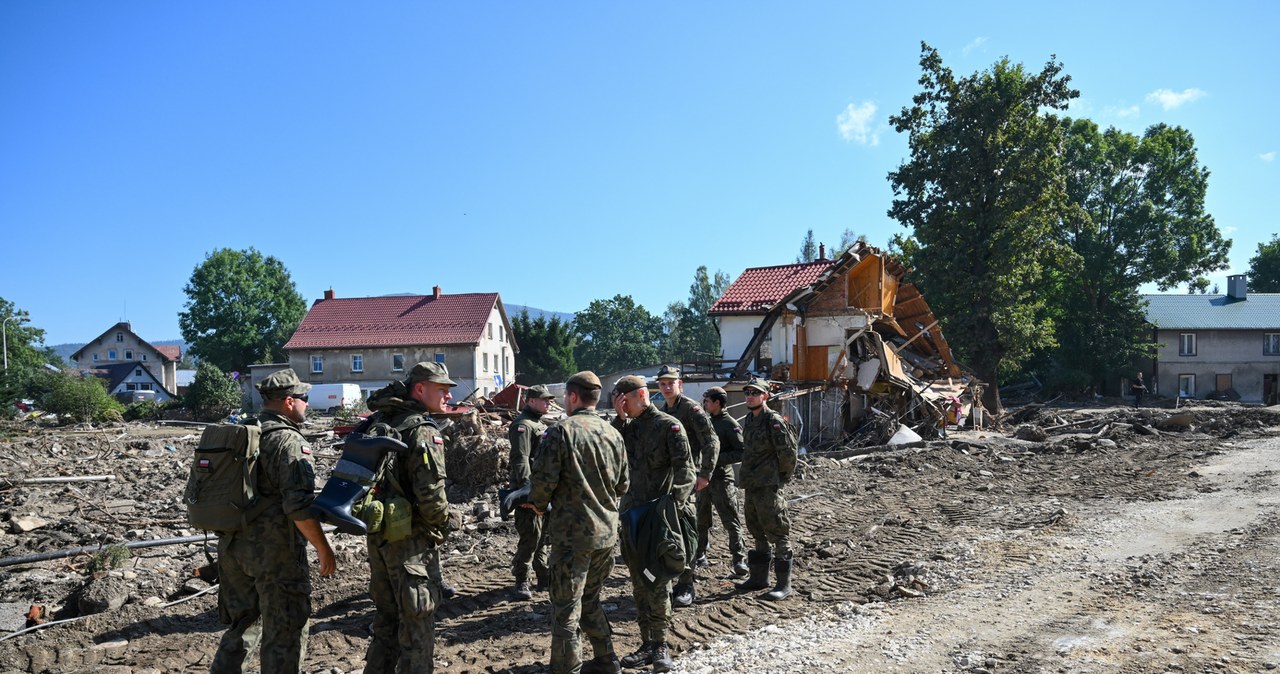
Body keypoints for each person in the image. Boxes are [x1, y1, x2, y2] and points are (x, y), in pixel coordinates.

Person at [212, 368, 336, 674]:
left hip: (232, 546)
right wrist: (323, 547)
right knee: (287, 630)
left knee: (243, 625)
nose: (308, 404)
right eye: (304, 398)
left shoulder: (242, 432)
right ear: (289, 401)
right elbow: (298, 507)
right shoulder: (288, 441)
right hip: (275, 554)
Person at [523, 372, 629, 674]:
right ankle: (607, 659)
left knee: (566, 609)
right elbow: (623, 485)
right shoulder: (613, 434)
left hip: (573, 537)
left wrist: (539, 506)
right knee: (591, 599)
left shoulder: (561, 432)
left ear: (572, 397)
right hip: (606, 536)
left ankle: (566, 669)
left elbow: (542, 482)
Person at [362, 362, 456, 673]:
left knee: (386, 624)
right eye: (441, 389)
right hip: (410, 546)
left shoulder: (382, 422)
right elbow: (431, 499)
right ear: (420, 389)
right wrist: (449, 521)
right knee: (417, 627)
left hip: (379, 539)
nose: (447, 396)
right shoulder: (423, 431)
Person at [612, 375, 694, 673]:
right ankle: (646, 643)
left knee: (657, 583)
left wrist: (674, 506)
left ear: (638, 395)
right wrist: (620, 419)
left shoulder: (668, 426)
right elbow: (611, 452)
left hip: (657, 518)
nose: (620, 404)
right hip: (632, 515)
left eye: (623, 398)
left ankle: (660, 645)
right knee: (638, 584)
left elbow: (686, 470)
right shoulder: (627, 428)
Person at [655, 365, 719, 606]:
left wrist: (705, 474)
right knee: (667, 532)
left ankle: (686, 583)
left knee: (686, 532)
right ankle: (668, 580)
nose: (667, 386)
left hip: (686, 482)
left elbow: (711, 441)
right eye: (663, 383)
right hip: (666, 483)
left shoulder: (691, 409)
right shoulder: (663, 411)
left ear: (679, 384)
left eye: (671, 382)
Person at [735, 378, 798, 602]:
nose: (750, 395)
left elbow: (789, 454)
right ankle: (759, 578)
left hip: (768, 485)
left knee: (777, 530)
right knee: (756, 529)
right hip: (752, 485)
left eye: (755, 392)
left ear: (765, 396)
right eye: (747, 392)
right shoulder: (750, 420)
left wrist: (781, 478)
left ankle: (784, 584)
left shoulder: (774, 421)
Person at [507, 384, 557, 599]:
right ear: (530, 401)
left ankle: (544, 577)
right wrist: (528, 491)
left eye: (548, 399)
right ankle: (521, 580)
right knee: (530, 537)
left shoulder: (537, 423)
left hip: (544, 489)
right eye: (543, 399)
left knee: (543, 535)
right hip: (530, 489)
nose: (548, 402)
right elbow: (521, 460)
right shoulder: (523, 425)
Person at [699, 386, 748, 577]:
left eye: (707, 401)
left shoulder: (729, 424)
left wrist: (715, 459)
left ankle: (739, 559)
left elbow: (741, 451)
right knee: (701, 520)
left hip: (721, 479)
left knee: (731, 521)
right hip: (704, 478)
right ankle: (700, 554)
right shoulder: (707, 422)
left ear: (717, 403)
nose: (704, 404)